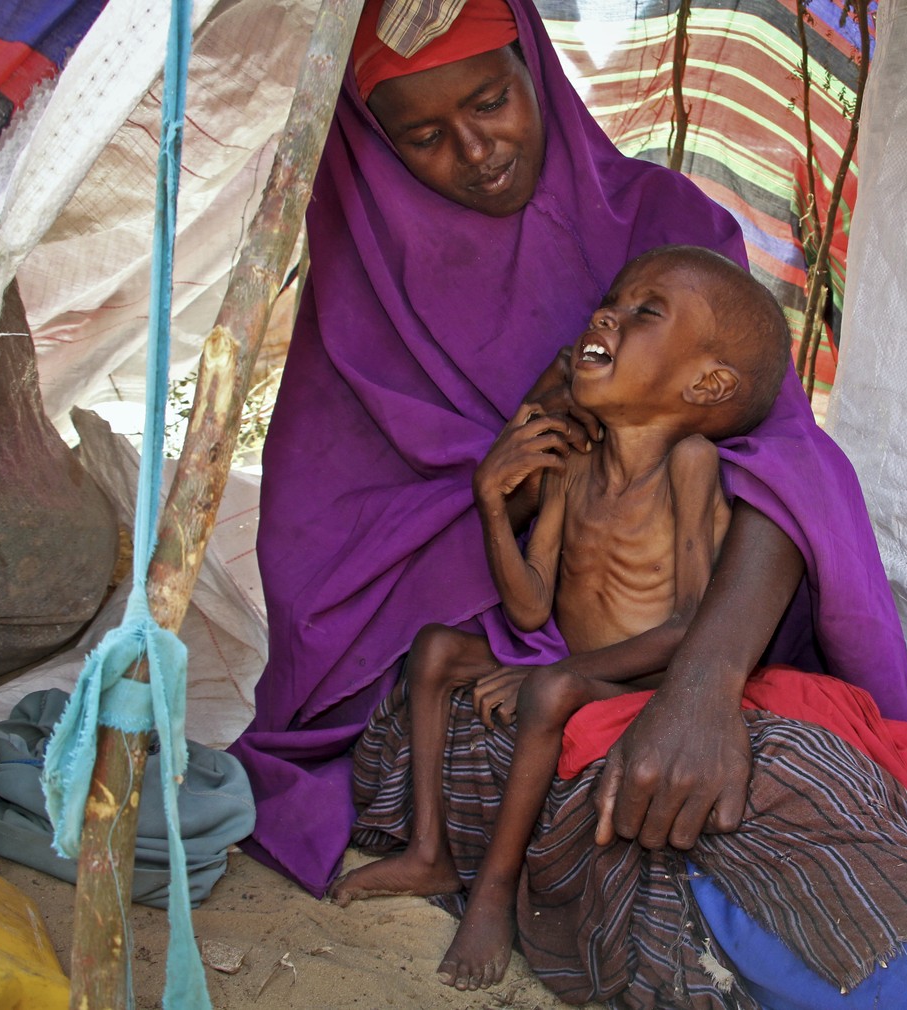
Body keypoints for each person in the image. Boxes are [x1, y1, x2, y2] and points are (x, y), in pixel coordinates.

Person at [226, 0, 907, 901]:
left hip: (679, 614)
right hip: (487, 621)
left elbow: (784, 461)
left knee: (806, 474)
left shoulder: (662, 227)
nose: (475, 151)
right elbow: (331, 549)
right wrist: (510, 488)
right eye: (425, 136)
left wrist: (704, 686)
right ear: (376, 146)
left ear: (534, 63)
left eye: (489, 100)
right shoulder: (364, 300)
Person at [332, 245, 790, 988]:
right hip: (571, 669)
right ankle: (427, 850)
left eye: (646, 312)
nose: (606, 313)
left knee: (545, 692)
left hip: (643, 688)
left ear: (707, 383)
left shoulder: (690, 462)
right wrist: (490, 500)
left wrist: (558, 671)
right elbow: (530, 604)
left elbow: (689, 626)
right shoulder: (574, 465)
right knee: (437, 649)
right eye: (612, 300)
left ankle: (493, 895)